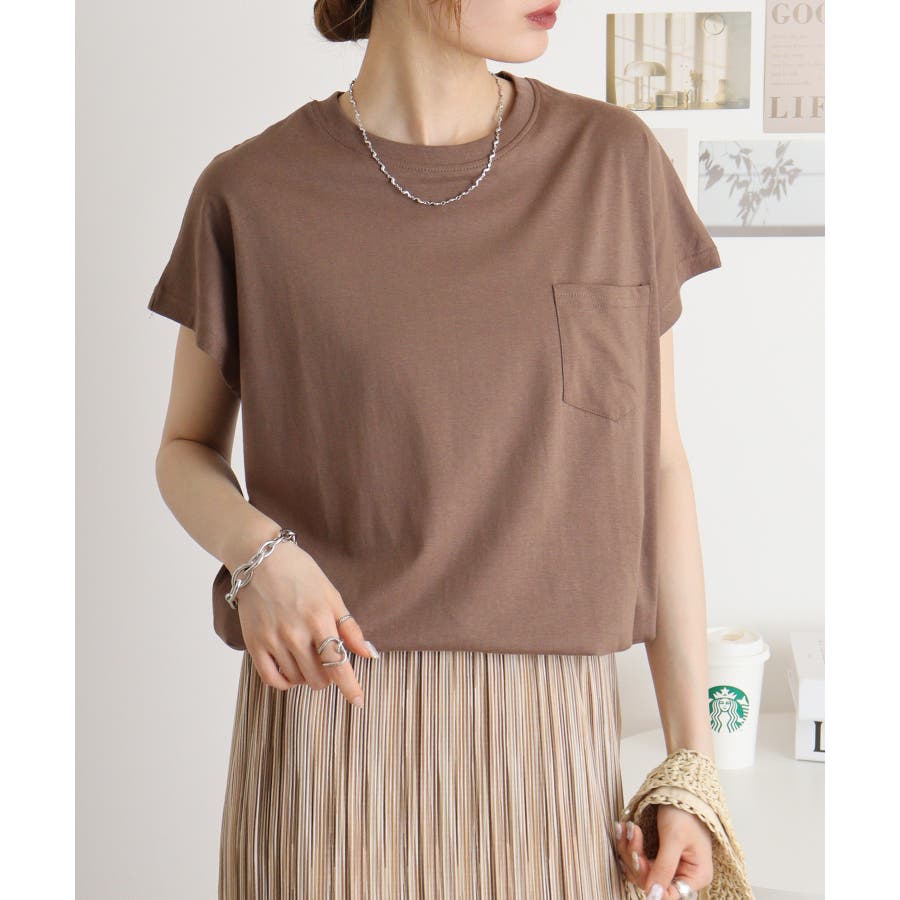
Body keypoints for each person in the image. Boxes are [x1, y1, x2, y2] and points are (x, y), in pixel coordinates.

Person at [148, 1, 751, 898]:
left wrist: (688, 768)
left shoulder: (612, 165)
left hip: (552, 746)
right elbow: (185, 446)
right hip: (330, 732)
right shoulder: (252, 192)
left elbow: (657, 469)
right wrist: (258, 554)